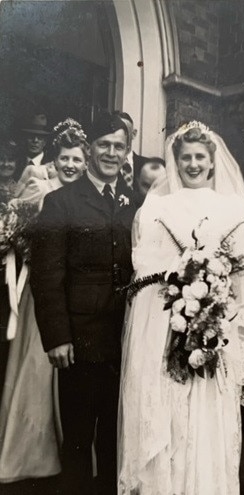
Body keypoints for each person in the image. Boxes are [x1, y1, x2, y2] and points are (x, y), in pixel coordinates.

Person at [117, 121, 244, 494]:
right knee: (167, 419)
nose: (193, 164)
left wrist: (218, 318)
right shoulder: (157, 207)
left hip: (215, 335)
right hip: (164, 332)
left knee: (207, 423)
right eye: (186, 158)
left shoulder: (232, 208)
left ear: (212, 163)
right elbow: (145, 274)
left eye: (200, 158)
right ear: (175, 162)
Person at [31, 110, 138, 495]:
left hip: (124, 341)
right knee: (77, 441)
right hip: (79, 342)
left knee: (115, 439)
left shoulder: (133, 203)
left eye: (119, 147)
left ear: (128, 153)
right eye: (104, 145)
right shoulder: (61, 203)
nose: (111, 153)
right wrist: (57, 336)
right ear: (89, 149)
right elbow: (46, 277)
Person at [0, 118, 88, 483]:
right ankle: (32, 452)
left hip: (76, 294)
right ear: (55, 158)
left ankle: (70, 447)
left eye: (77, 160)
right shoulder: (38, 189)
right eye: (65, 158)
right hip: (42, 291)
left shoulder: (87, 194)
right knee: (38, 368)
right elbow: (13, 231)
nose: (70, 165)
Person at [16, 112, 54, 181]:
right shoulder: (17, 162)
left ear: (45, 142)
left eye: (40, 138)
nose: (35, 141)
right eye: (31, 137)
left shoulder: (51, 165)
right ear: (25, 139)